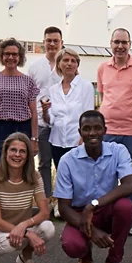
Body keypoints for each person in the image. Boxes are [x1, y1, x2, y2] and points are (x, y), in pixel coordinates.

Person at [55, 111, 132, 263]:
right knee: (72, 246)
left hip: (106, 210)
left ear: (105, 130)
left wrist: (93, 206)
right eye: (86, 129)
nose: (92, 133)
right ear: (80, 132)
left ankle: (113, 261)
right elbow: (63, 207)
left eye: (97, 128)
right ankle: (85, 253)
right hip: (79, 214)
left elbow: (129, 185)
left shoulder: (118, 151)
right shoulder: (67, 161)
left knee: (125, 207)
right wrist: (91, 231)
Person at [0, 133, 56, 263]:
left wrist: (24, 226)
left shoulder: (35, 177)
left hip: (21, 228)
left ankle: (25, 258)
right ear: (5, 153)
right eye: (13, 150)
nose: (17, 155)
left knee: (48, 228)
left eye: (22, 151)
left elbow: (45, 213)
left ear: (28, 156)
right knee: (10, 244)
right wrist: (28, 233)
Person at [97, 28, 132, 235]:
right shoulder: (102, 68)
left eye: (124, 42)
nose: (120, 46)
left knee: (131, 176)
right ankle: (108, 217)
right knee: (106, 175)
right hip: (107, 130)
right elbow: (103, 97)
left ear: (130, 44)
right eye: (116, 42)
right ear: (110, 43)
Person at [41, 47, 96, 216]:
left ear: (77, 65)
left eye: (73, 61)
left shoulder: (85, 86)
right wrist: (45, 112)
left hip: (77, 141)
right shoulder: (53, 90)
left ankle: (83, 212)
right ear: (59, 64)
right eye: (66, 60)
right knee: (63, 177)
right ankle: (65, 210)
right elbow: (51, 121)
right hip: (58, 141)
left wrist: (83, 140)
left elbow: (88, 114)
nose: (69, 63)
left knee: (80, 179)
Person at [0, 39, 39, 172]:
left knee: (22, 170)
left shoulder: (28, 81)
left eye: (15, 54)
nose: (11, 57)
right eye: (7, 54)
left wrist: (34, 139)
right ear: (1, 56)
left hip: (23, 129)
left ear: (20, 57)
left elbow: (34, 113)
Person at [27, 26, 64, 200]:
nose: (52, 44)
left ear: (61, 43)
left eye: (55, 41)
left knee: (63, 164)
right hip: (41, 123)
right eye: (48, 40)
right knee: (44, 163)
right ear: (43, 43)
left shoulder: (67, 65)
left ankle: (63, 200)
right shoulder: (34, 67)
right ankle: (46, 199)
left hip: (63, 124)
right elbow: (29, 96)